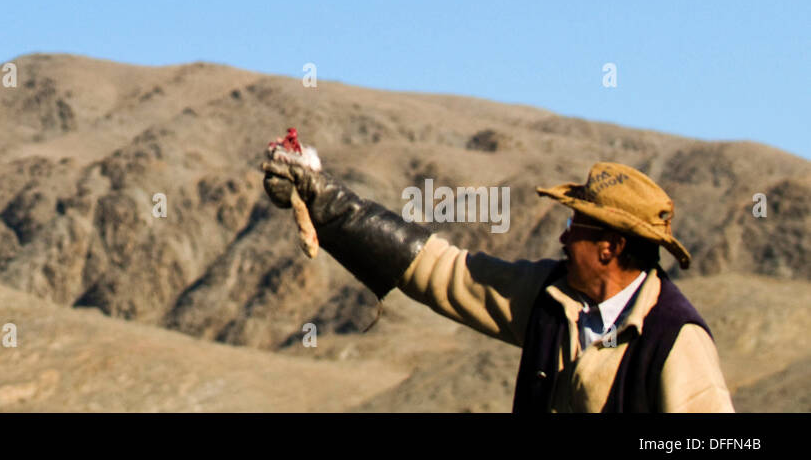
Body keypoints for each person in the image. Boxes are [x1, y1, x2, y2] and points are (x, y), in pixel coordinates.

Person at [262, 152, 734, 412]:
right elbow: (442, 271)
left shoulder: (676, 341)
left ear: (609, 248)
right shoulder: (551, 299)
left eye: (577, 229)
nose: (564, 238)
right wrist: (325, 200)